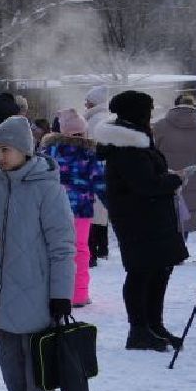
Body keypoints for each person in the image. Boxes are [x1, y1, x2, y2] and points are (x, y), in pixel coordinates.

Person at [0, 117, 76, 391]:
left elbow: (62, 246)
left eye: (6, 149)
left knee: (38, 359)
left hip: (37, 289)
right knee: (9, 359)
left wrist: (61, 294)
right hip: (1, 288)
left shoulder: (48, 190)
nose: (0, 157)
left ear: (25, 151)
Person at [94, 91, 189, 351]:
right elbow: (144, 184)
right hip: (138, 218)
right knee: (142, 272)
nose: (151, 114)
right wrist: (175, 180)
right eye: (148, 110)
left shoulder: (135, 140)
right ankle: (139, 329)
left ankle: (153, 325)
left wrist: (167, 178)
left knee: (159, 269)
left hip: (150, 216)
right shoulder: (127, 145)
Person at [39, 109, 105, 308]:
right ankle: (79, 294)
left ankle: (53, 293)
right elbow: (101, 182)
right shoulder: (89, 153)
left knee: (52, 250)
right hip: (81, 210)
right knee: (80, 250)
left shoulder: (48, 152)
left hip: (52, 210)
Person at [153, 95, 196, 236]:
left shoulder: (160, 125)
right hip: (191, 176)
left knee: (165, 209)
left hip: (164, 173)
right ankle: (183, 242)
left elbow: (154, 149)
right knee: (185, 212)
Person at [83, 86, 114, 262]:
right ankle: (102, 248)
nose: (85, 103)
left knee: (93, 211)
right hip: (103, 167)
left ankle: (93, 252)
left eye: (87, 100)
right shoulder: (107, 118)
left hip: (93, 168)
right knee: (101, 211)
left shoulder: (94, 120)